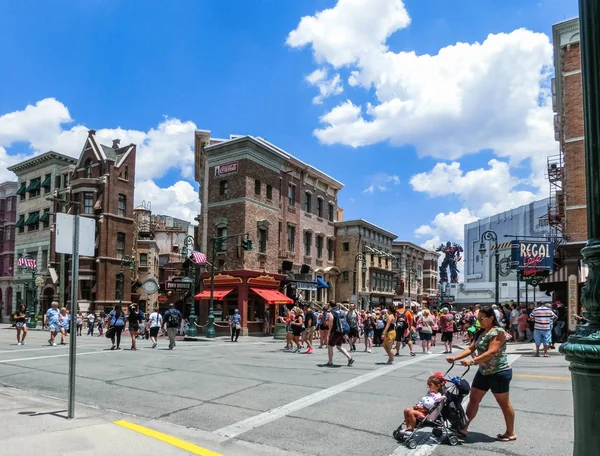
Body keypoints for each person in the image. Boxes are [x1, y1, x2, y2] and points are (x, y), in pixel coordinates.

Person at [447, 306, 515, 442]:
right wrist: (455, 358)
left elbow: (492, 352)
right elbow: (471, 348)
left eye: (482, 319)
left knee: (503, 403)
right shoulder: (481, 332)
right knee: (473, 400)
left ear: (491, 318)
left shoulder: (498, 332)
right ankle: (463, 427)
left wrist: (472, 361)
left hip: (499, 372)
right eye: (478, 319)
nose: (479, 321)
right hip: (483, 372)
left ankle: (510, 432)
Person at [326, 302, 354, 367]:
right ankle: (349, 358)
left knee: (330, 346)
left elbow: (330, 324)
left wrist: (329, 333)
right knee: (339, 346)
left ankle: (330, 362)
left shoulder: (331, 313)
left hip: (336, 331)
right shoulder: (341, 311)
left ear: (330, 306)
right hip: (342, 330)